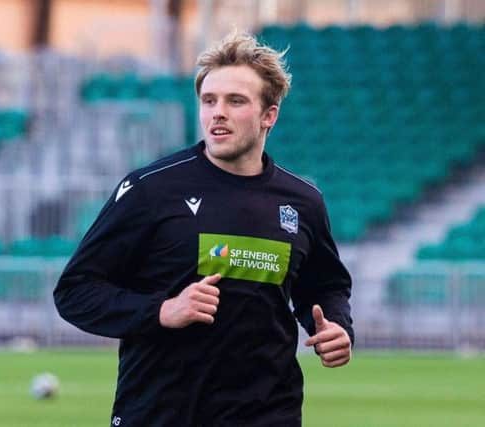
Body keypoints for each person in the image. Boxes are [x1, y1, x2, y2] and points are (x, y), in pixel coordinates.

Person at [54, 31, 353, 427]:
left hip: (268, 413)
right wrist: (162, 310)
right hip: (162, 413)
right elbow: (76, 291)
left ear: (269, 115)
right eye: (209, 100)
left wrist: (336, 327)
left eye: (236, 101)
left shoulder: (303, 201)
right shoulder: (150, 189)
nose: (218, 112)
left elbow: (325, 286)